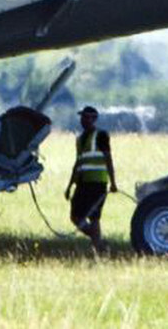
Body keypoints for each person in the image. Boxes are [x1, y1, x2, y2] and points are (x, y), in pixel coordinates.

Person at [64, 106, 118, 250]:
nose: (84, 120)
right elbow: (77, 163)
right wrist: (69, 186)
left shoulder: (101, 135)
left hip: (97, 182)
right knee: (75, 216)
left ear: (94, 119)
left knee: (94, 216)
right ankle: (98, 241)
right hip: (82, 182)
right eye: (82, 117)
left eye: (87, 117)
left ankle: (98, 246)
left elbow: (108, 159)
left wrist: (113, 182)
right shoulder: (80, 139)